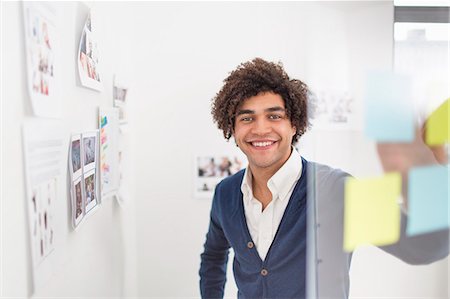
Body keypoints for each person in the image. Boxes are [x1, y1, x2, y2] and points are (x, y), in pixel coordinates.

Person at [199, 58, 449, 299]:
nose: (261, 129)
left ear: (294, 124)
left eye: (274, 116)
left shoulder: (337, 190)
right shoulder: (226, 193)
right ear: (233, 127)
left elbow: (427, 246)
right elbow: (213, 256)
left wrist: (424, 171)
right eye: (247, 118)